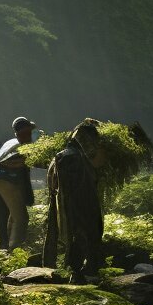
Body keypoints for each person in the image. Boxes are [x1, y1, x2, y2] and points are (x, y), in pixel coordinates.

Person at [43, 121, 104, 282]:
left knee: (65, 235)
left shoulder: (66, 155)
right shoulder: (72, 158)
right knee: (83, 235)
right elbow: (74, 188)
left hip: (65, 204)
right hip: (77, 205)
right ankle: (77, 272)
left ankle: (64, 269)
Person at [0, 116, 37, 250]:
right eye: (26, 132)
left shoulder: (16, 142)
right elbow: (4, 162)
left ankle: (8, 244)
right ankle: (14, 249)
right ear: (20, 133)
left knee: (14, 215)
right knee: (21, 218)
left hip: (6, 181)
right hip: (6, 182)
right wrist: (26, 161)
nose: (29, 134)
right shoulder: (16, 145)